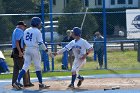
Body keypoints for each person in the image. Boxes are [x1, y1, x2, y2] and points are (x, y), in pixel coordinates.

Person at [13, 17, 50, 90]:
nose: (40, 25)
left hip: (27, 49)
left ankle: (17, 81)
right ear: (37, 23)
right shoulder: (37, 31)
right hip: (34, 49)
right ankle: (41, 84)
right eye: (39, 24)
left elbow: (23, 41)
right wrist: (47, 51)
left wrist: (22, 50)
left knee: (25, 66)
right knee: (38, 67)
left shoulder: (27, 30)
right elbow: (40, 43)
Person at [11, 21, 34, 87]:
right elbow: (17, 42)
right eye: (23, 26)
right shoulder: (19, 31)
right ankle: (27, 82)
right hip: (18, 50)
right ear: (20, 26)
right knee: (25, 67)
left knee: (16, 68)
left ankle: (14, 82)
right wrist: (20, 51)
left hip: (15, 50)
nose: (24, 28)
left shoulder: (15, 30)